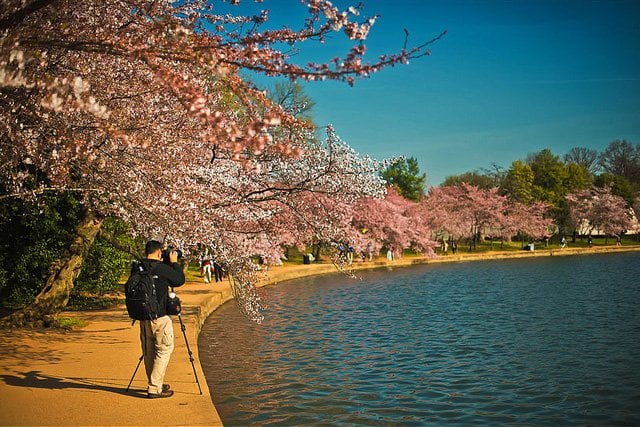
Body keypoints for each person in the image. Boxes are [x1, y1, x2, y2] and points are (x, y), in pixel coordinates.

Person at [136, 240, 185, 399]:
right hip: (160, 317)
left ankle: (154, 382)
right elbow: (179, 280)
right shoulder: (161, 268)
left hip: (143, 317)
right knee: (164, 350)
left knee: (149, 352)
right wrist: (174, 263)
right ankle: (154, 388)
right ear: (159, 253)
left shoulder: (138, 267)